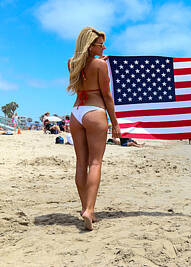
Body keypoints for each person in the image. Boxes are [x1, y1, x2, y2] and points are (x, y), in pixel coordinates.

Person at [67, 26, 121, 231]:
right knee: (96, 162)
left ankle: (85, 208)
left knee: (81, 162)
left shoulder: (71, 63)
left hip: (76, 113)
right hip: (95, 112)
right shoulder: (100, 66)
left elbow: (83, 71)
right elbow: (107, 96)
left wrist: (98, 59)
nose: (104, 47)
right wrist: (115, 123)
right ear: (90, 46)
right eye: (100, 44)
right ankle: (90, 210)